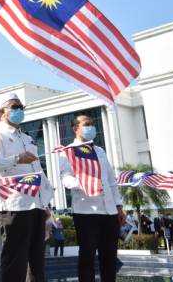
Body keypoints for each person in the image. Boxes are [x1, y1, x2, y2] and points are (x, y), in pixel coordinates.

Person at [0, 93, 53, 282]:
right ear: (2, 111)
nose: (18, 111)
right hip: (13, 206)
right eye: (13, 107)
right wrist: (17, 158)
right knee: (14, 263)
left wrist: (45, 204)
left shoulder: (27, 139)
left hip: (35, 206)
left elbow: (37, 172)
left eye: (20, 107)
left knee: (36, 264)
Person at [60, 114, 125, 282]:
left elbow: (111, 181)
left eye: (92, 124)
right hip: (86, 211)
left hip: (109, 211)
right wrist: (84, 184)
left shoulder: (100, 150)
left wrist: (119, 207)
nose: (91, 127)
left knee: (109, 257)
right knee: (87, 257)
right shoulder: (69, 151)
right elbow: (66, 178)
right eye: (86, 124)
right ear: (76, 129)